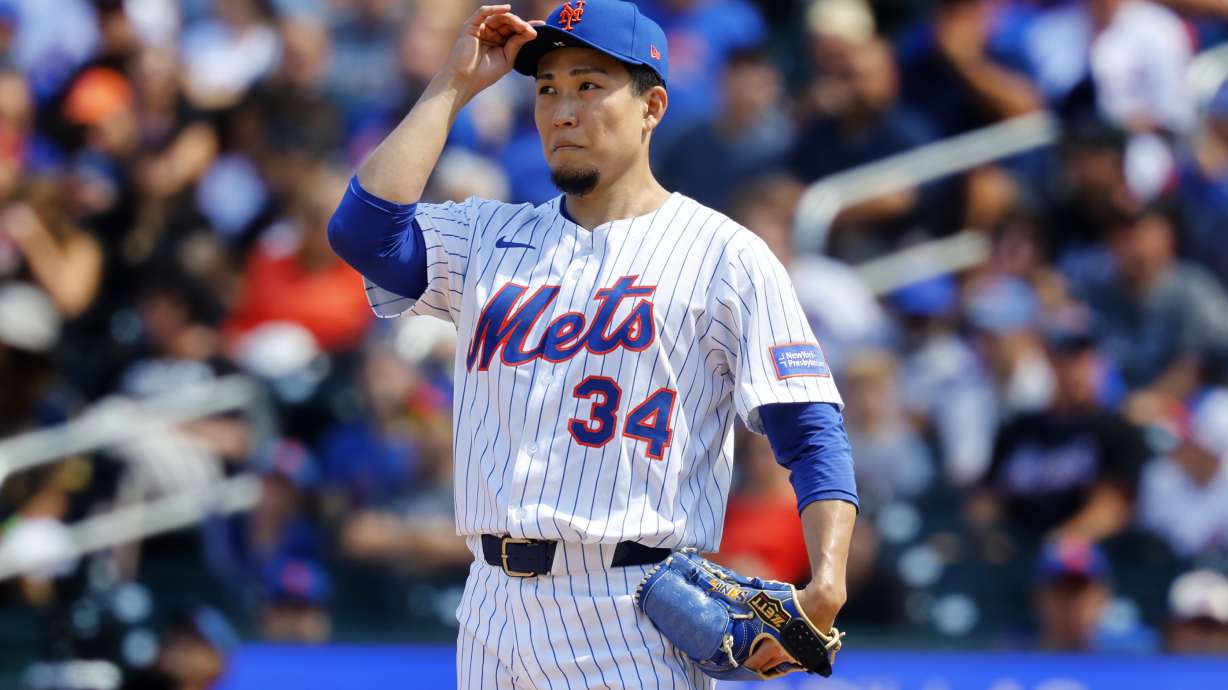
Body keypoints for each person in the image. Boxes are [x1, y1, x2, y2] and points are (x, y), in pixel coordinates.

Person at [326, 3, 858, 687]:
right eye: (546, 88)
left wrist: (829, 582)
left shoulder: (724, 255)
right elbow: (361, 233)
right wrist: (453, 86)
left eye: (588, 85)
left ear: (651, 106)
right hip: (491, 601)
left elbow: (811, 429)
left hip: (631, 608)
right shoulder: (490, 236)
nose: (561, 111)